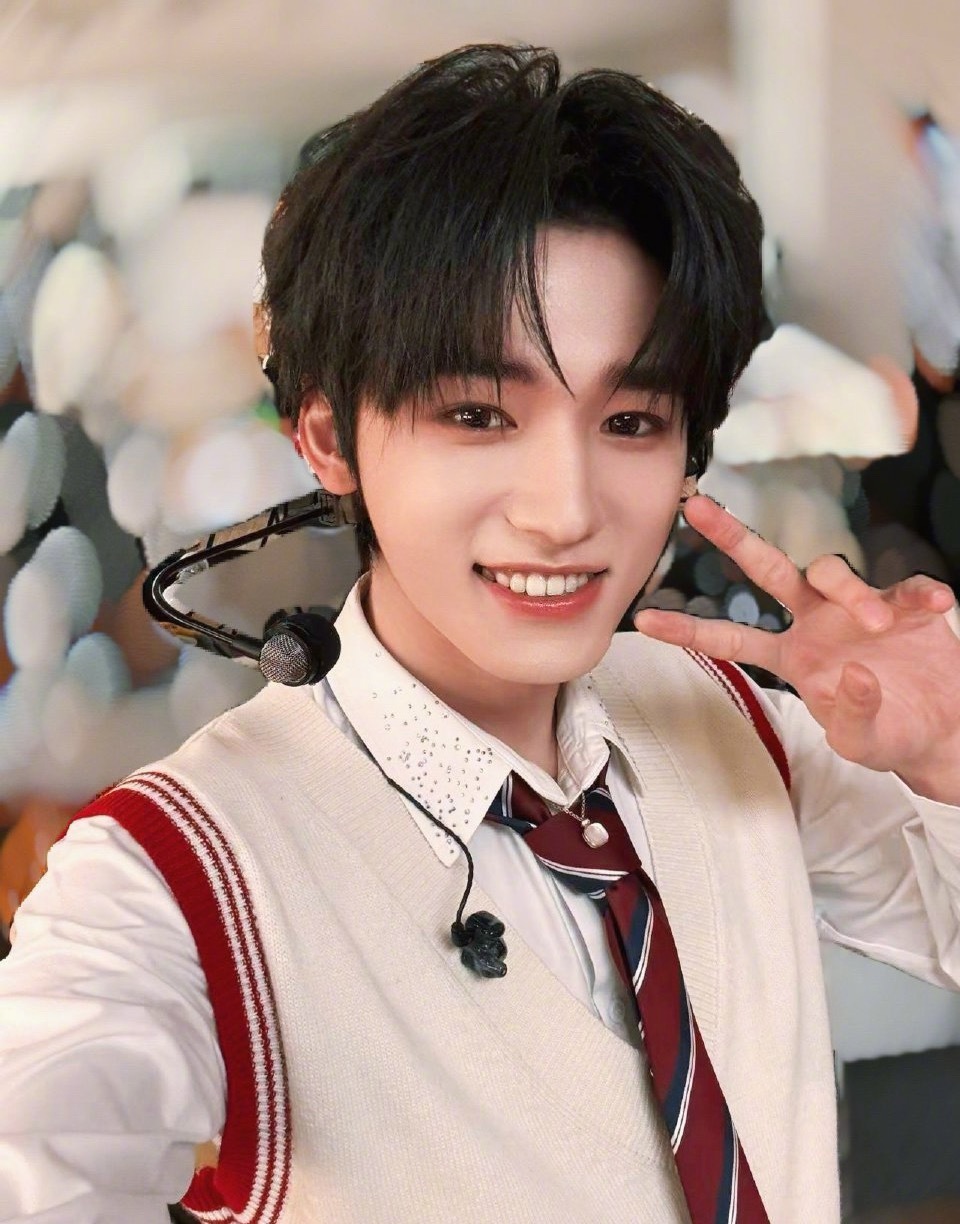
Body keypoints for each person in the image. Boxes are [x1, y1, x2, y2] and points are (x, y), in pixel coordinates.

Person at [1, 43, 959, 1224]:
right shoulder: (173, 875)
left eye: (630, 420)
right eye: (477, 414)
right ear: (327, 439)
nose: (564, 510)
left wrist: (946, 749)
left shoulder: (725, 719)